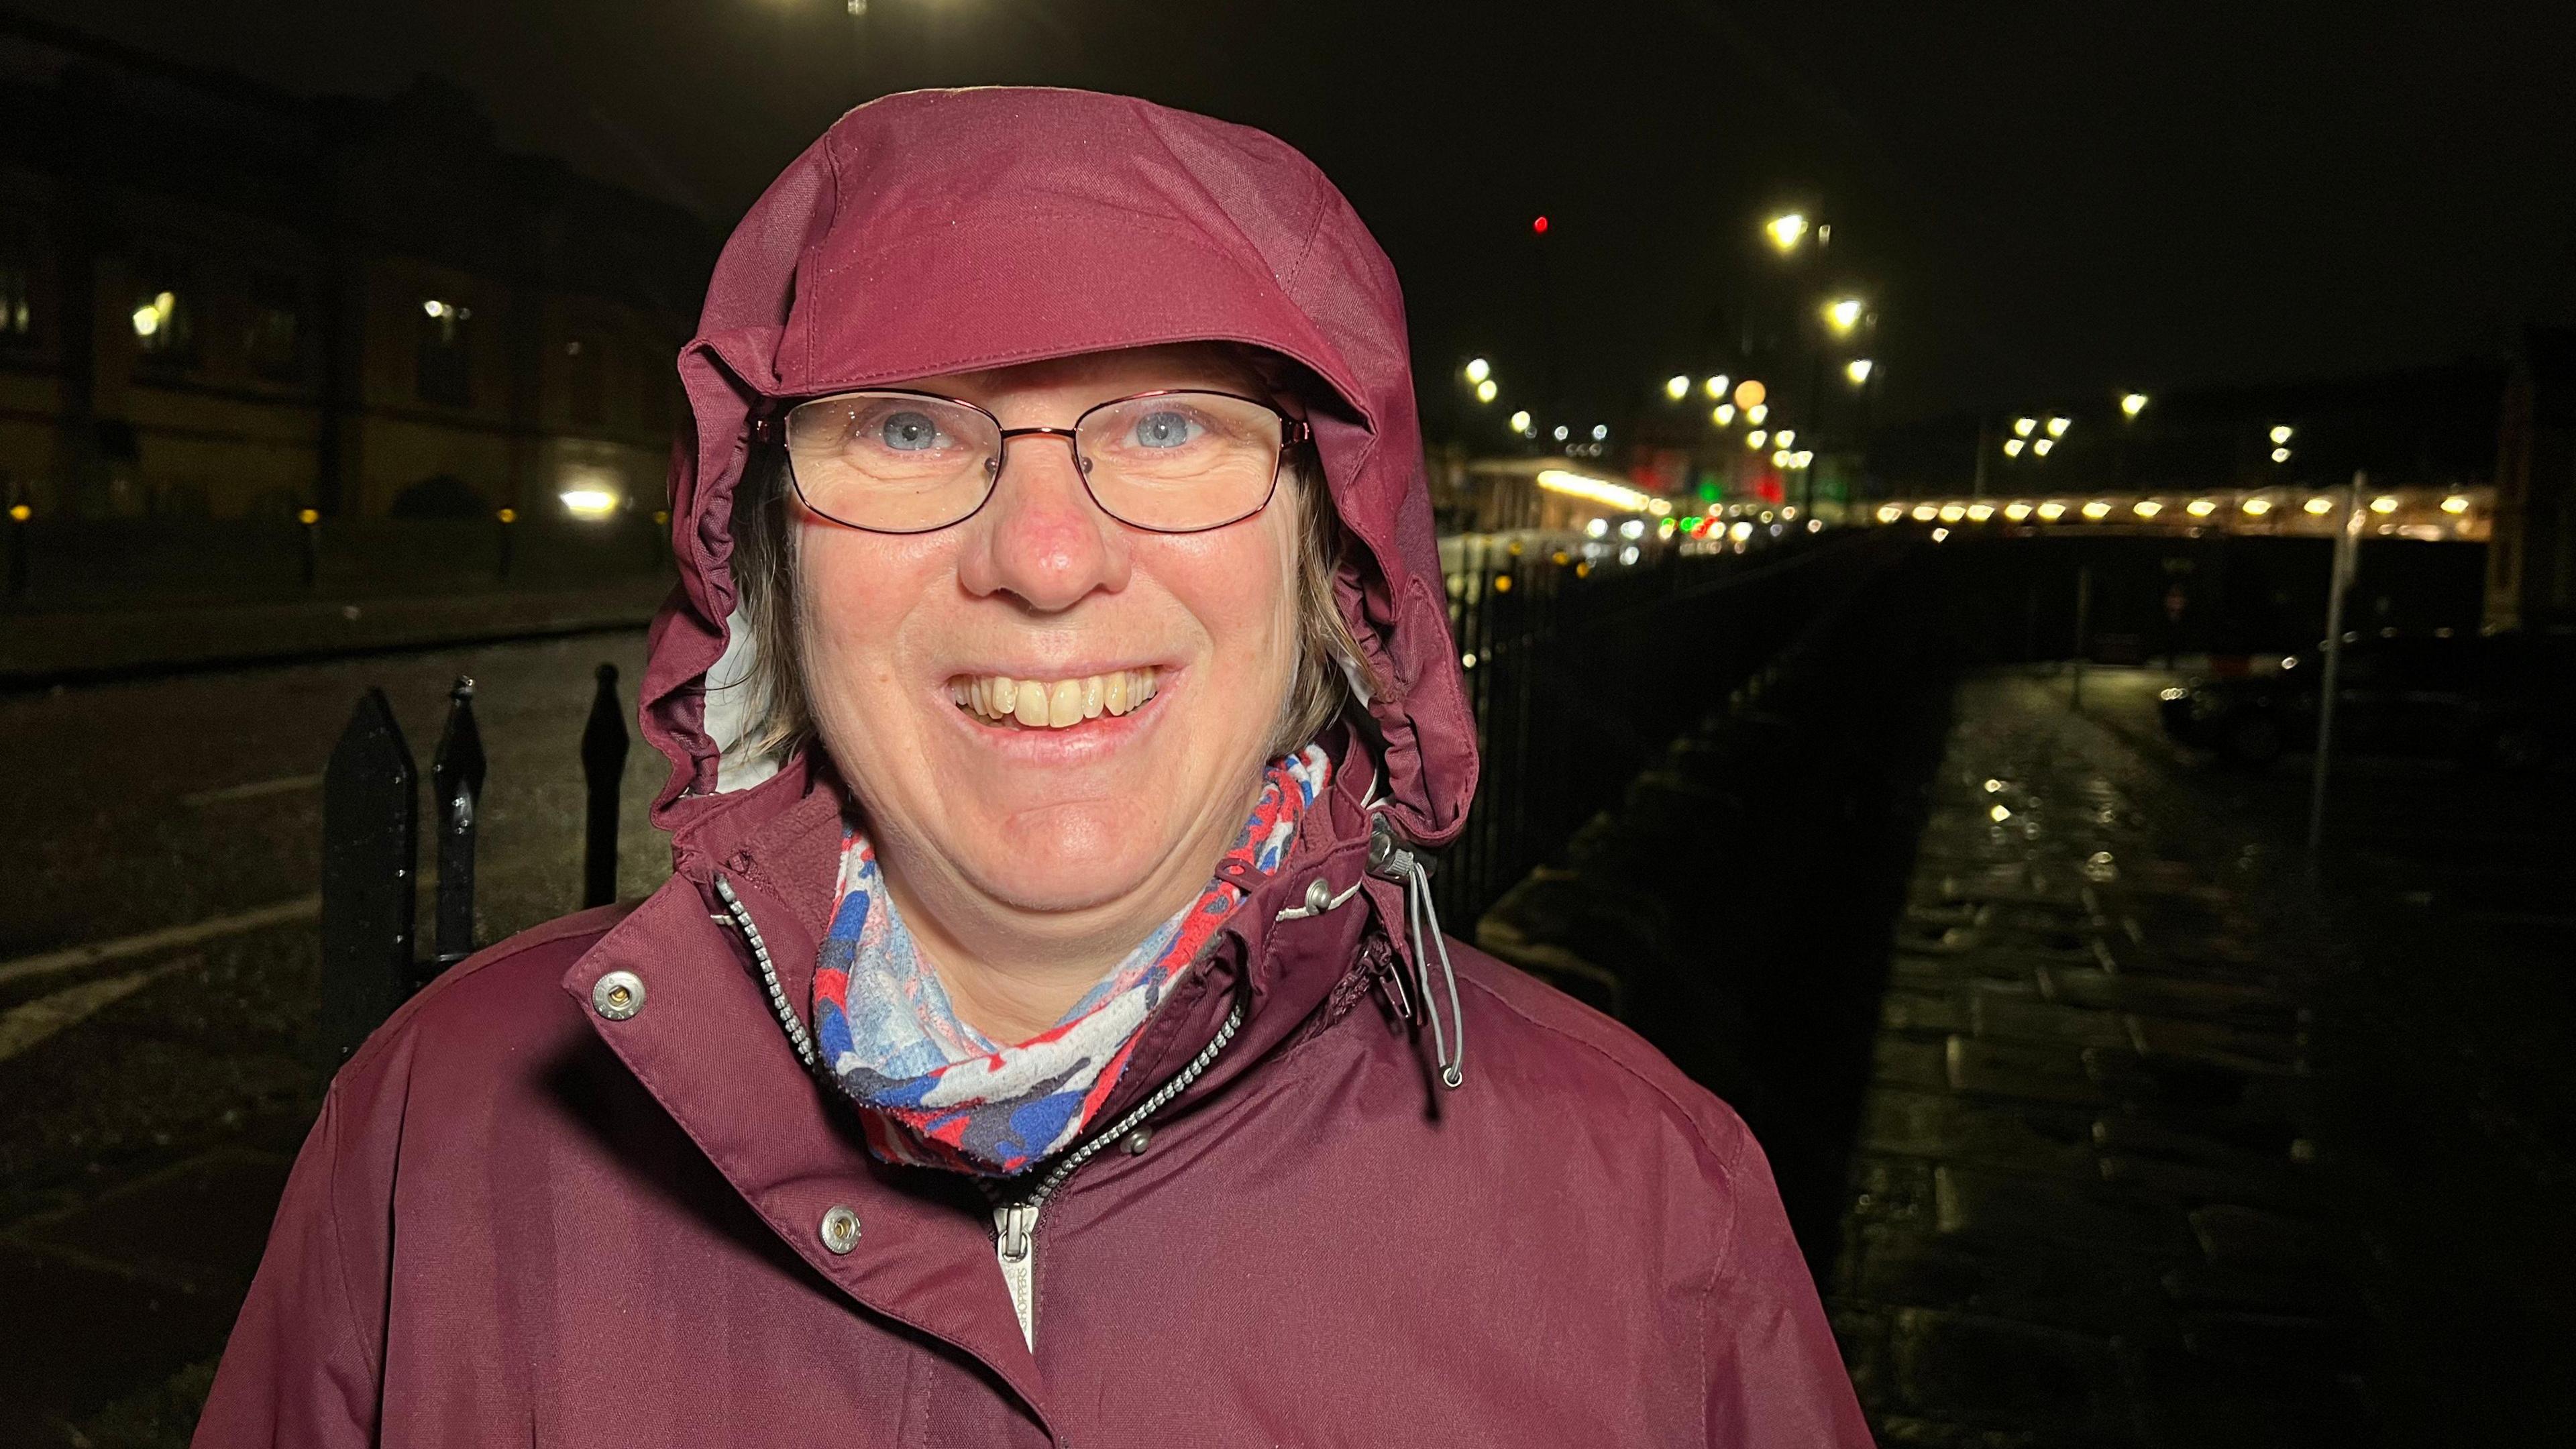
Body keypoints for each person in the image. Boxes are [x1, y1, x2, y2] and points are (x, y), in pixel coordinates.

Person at [193, 88, 1870, 1447]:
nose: (1047, 556)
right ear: (764, 551)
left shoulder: (1653, 1212)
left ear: (1331, 554)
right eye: (910, 426)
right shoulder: (442, 1133)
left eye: (1168, 424)